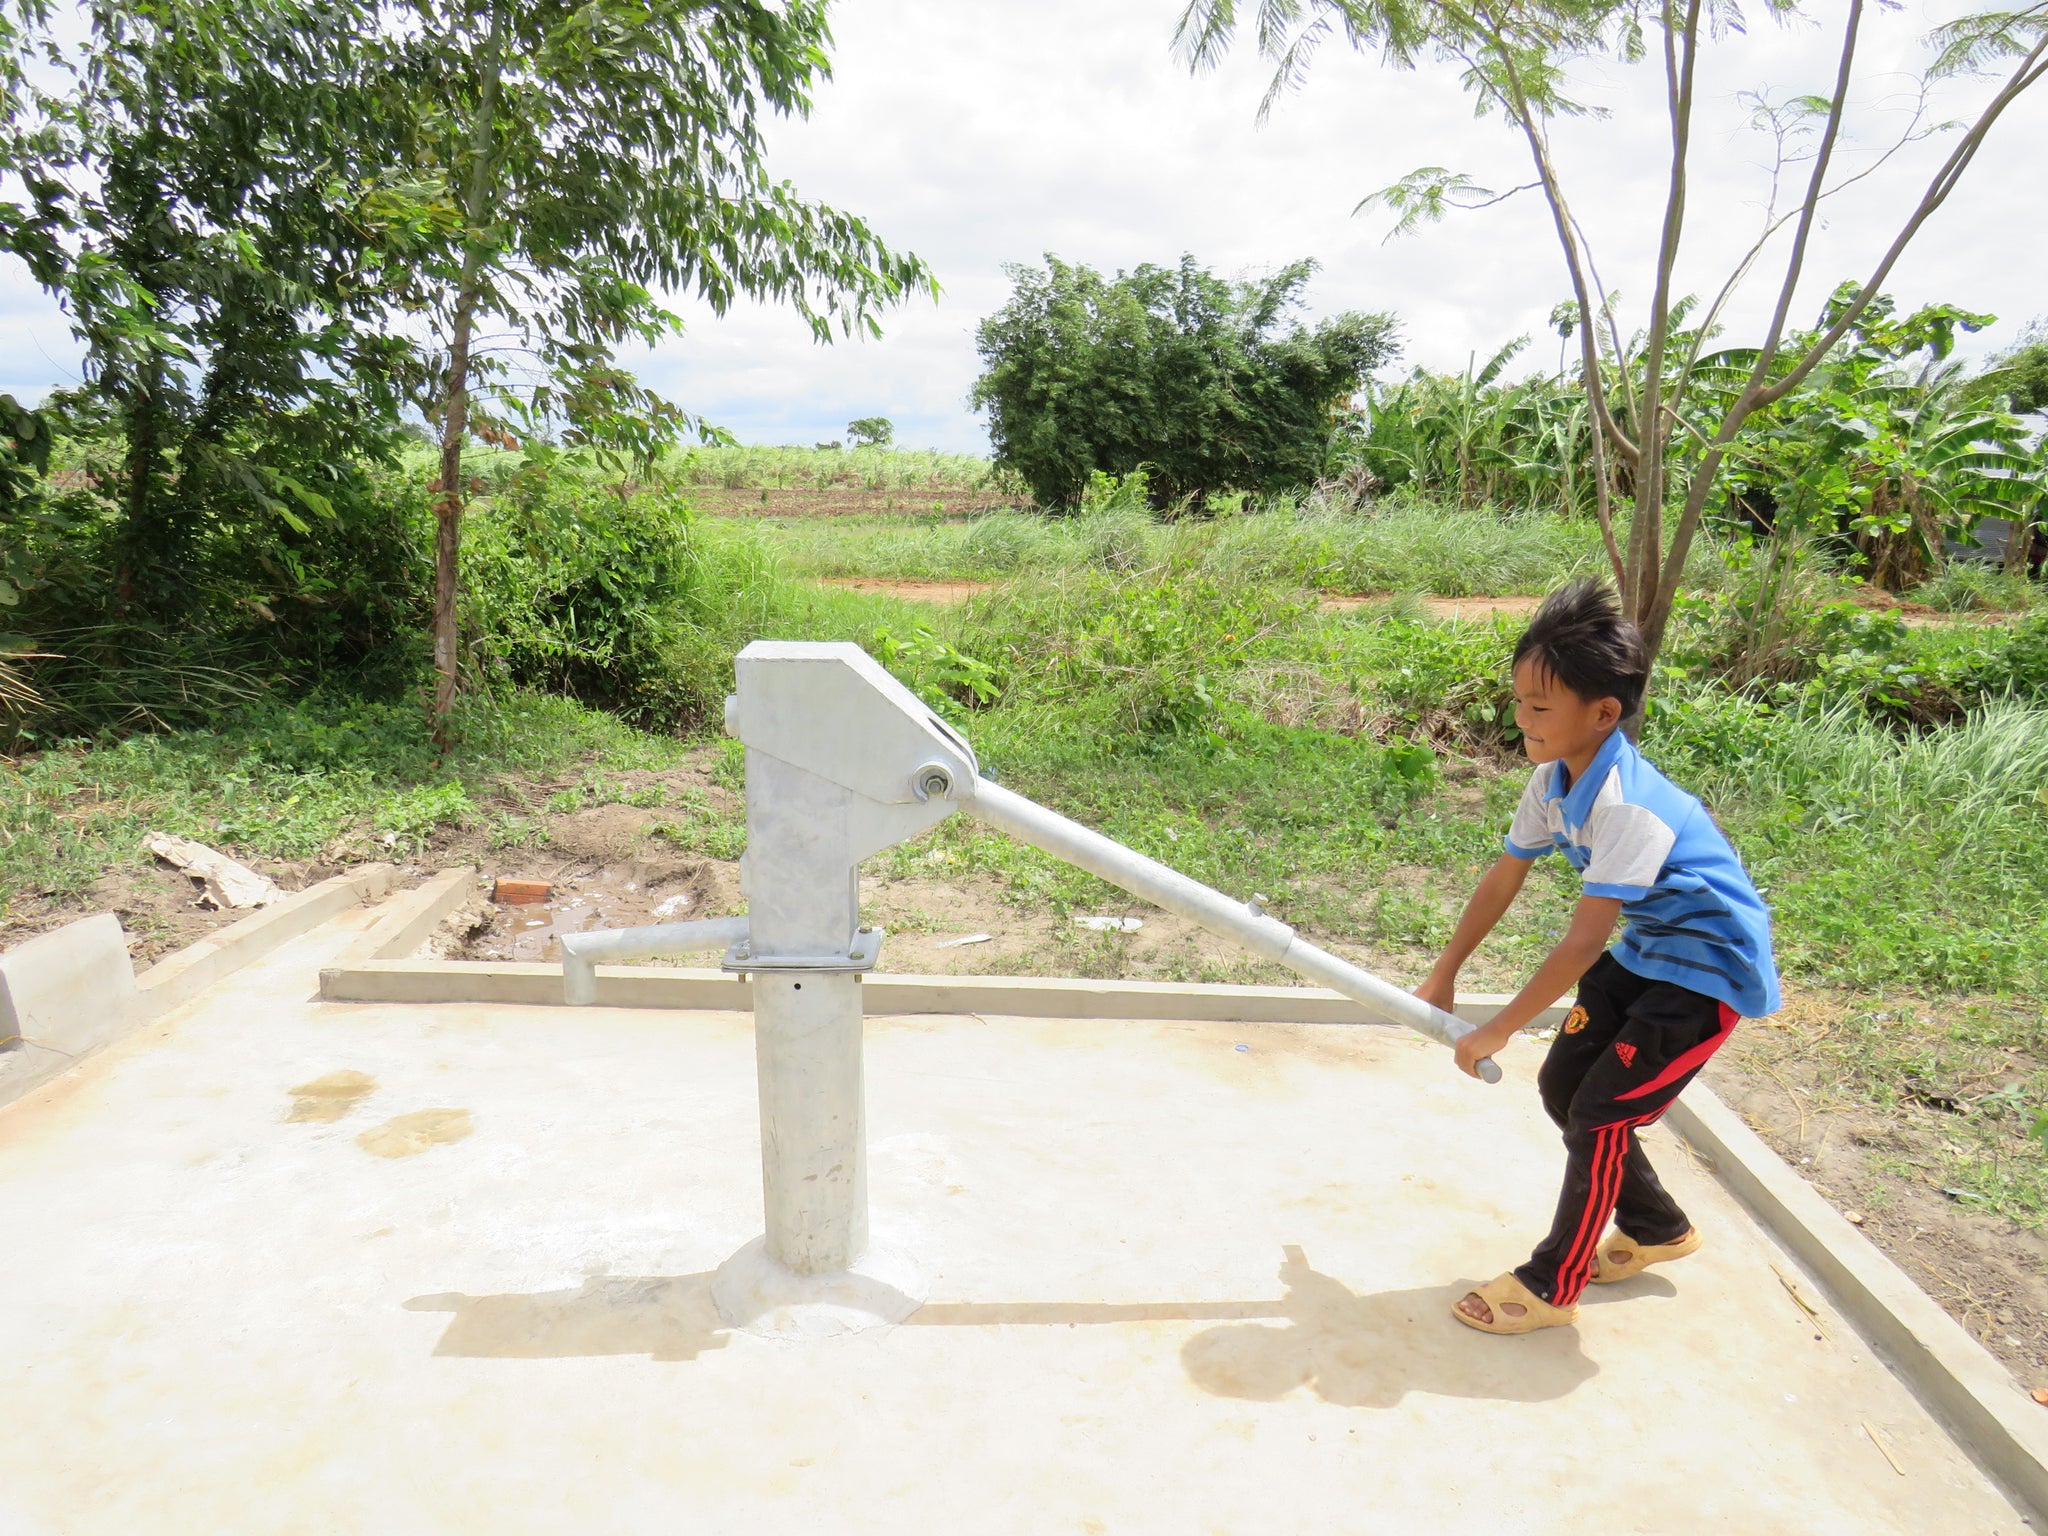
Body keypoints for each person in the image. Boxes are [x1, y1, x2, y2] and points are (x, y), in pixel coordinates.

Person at [1414, 578, 1780, 1335]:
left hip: (1708, 975)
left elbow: (1582, 941)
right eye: (1518, 701)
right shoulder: (1552, 781)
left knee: (1602, 1112)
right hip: (1649, 953)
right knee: (1564, 1088)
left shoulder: (1630, 806)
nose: (1521, 719)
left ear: (1603, 713)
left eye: (1539, 707)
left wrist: (1499, 1028)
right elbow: (1503, 878)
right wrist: (1445, 971)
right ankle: (1658, 1228)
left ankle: (1554, 1283)